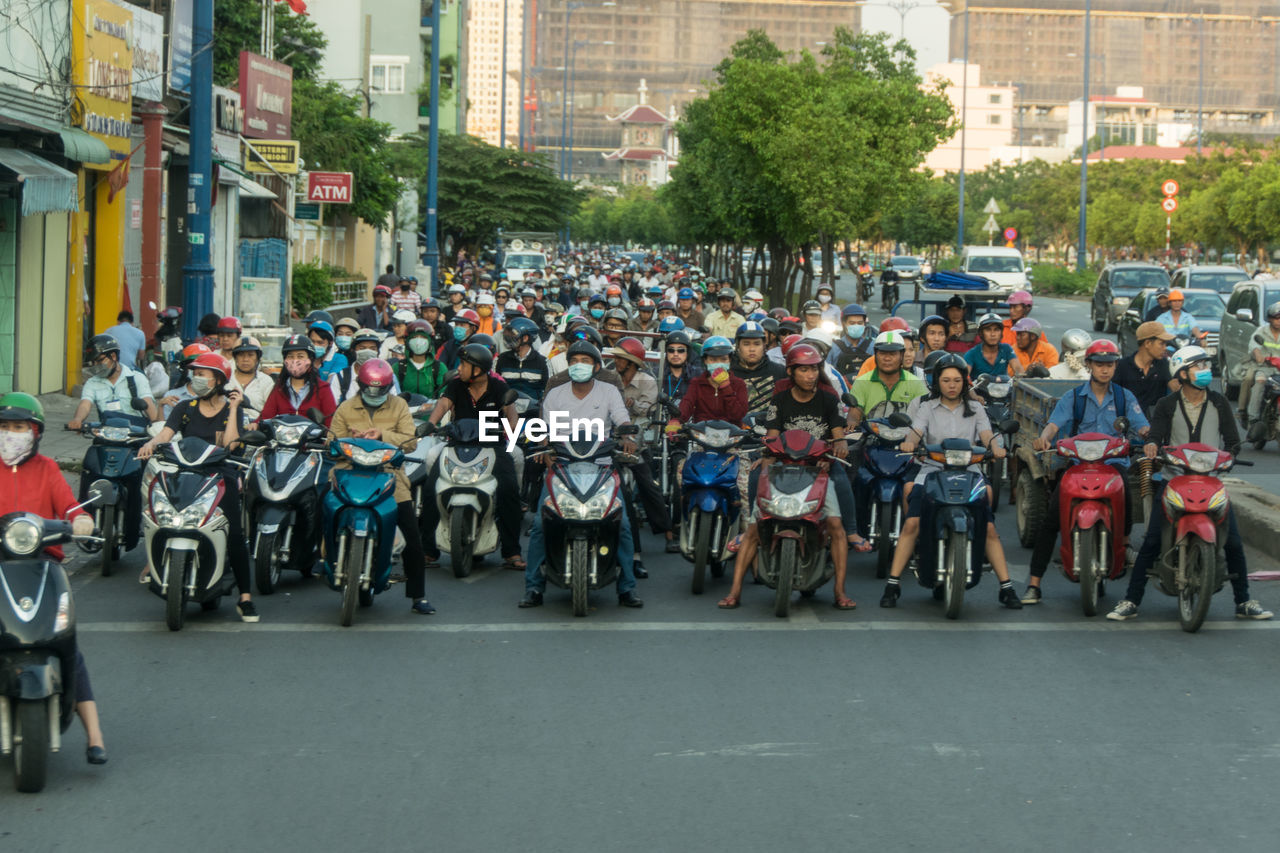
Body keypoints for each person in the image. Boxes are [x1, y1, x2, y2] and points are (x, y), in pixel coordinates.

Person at [1106, 346, 1271, 621]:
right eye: (1198, 367)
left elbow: (1232, 441)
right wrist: (1151, 446)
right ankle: (1131, 600)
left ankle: (1244, 601)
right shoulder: (1166, 405)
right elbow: (1156, 436)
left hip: (1211, 483)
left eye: (1206, 366)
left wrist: (1231, 455)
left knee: (1233, 543)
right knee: (1151, 543)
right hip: (1174, 481)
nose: (1205, 371)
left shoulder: (1219, 402)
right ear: (1182, 373)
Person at [717, 343, 869, 612]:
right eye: (804, 370)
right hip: (784, 464)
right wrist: (768, 453)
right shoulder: (780, 399)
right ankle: (735, 591)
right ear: (791, 371)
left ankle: (841, 586)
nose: (810, 375)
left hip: (819, 466)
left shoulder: (828, 399)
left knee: (836, 521)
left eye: (814, 369)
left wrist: (839, 446)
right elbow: (773, 434)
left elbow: (836, 433)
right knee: (754, 508)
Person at [0, 393, 109, 764]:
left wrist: (81, 521)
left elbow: (70, 507)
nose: (11, 434)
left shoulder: (47, 468)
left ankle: (95, 735)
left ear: (35, 432)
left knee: (66, 643)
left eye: (19, 428)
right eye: (5, 428)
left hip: (43, 565)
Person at [878, 355, 1023, 609]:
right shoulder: (927, 407)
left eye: (957, 380)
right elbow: (916, 431)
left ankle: (1006, 587)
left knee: (988, 526)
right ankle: (893, 584)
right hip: (932, 471)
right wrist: (910, 442)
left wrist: (994, 447)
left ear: (964, 382)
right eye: (946, 380)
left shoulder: (976, 407)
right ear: (938, 382)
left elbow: (987, 434)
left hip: (970, 471)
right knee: (912, 523)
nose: (952, 385)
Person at [1022, 340, 1149, 604]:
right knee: (1051, 521)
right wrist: (1044, 438)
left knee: (1127, 494)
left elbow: (1141, 426)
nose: (1105, 369)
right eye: (1099, 364)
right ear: (1089, 365)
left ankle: (1123, 544)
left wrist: (1151, 438)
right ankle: (1034, 584)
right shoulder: (1073, 397)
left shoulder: (1125, 397)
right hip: (1079, 467)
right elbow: (1054, 425)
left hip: (1113, 465)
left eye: (1110, 364)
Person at [520, 341, 644, 608]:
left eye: (585, 361)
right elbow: (542, 430)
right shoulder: (555, 394)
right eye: (574, 360)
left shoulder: (609, 391)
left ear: (597, 366)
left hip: (602, 466)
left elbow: (622, 418)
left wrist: (627, 436)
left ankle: (627, 588)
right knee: (542, 524)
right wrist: (544, 450)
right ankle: (534, 587)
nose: (579, 365)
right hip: (562, 468)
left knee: (621, 524)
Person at [137, 353, 259, 623]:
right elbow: (165, 435)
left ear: (219, 380)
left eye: (204, 374)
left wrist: (235, 408)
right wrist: (150, 445)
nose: (198, 379)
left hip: (220, 476)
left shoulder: (229, 409)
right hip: (187, 473)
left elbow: (231, 446)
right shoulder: (185, 407)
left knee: (235, 534)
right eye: (197, 374)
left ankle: (245, 597)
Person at [329, 359, 436, 614]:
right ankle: (324, 557)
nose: (374, 394)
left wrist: (382, 436)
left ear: (389, 387)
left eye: (380, 390)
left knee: (412, 535)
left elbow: (410, 442)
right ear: (360, 386)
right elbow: (331, 444)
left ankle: (417, 596)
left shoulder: (399, 406)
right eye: (369, 389)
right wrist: (350, 439)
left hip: (389, 475)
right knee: (326, 509)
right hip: (349, 473)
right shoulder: (346, 408)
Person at [423, 343, 525, 572]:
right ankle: (428, 551)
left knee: (509, 490)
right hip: (457, 446)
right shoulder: (456, 386)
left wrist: (513, 430)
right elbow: (443, 405)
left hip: (493, 447)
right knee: (431, 489)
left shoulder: (499, 387)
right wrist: (430, 424)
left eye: (464, 365)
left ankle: (512, 551)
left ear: (478, 369)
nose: (459, 369)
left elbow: (512, 415)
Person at [610, 336, 678, 561]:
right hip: (612, 438)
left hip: (638, 440)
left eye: (622, 358)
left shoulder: (647, 381)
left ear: (632, 361)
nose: (617, 361)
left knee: (647, 483)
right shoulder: (610, 379)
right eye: (617, 357)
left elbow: (647, 411)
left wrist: (633, 406)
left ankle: (668, 532)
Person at [68, 334, 159, 429]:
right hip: (107, 433)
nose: (96, 365)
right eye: (93, 362)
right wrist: (77, 419)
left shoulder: (137, 378)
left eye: (99, 360)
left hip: (135, 434)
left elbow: (148, 404)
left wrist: (157, 427)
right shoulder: (92, 383)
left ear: (113, 356)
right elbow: (85, 404)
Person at [847, 331, 929, 428]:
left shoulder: (916, 383)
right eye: (882, 353)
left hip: (906, 438)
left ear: (902, 355)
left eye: (893, 354)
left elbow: (924, 416)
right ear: (875, 354)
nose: (887, 358)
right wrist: (852, 423)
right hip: (871, 438)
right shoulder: (862, 382)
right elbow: (855, 412)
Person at [258, 334, 338, 426]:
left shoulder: (323, 388)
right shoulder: (279, 388)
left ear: (310, 359)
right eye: (291, 356)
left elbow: (331, 423)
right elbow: (266, 417)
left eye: (300, 356)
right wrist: (256, 424)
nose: (295, 361)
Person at [1113, 321, 1176, 417]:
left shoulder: (1163, 364)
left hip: (1155, 423)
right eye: (1161, 344)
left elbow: (1176, 388)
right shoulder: (1122, 366)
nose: (1165, 348)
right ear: (1147, 343)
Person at [732, 321, 786, 417]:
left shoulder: (780, 372)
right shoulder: (728, 374)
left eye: (757, 344)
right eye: (746, 344)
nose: (752, 349)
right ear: (738, 346)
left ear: (764, 345)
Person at [1243, 301, 1280, 437]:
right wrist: (1258, 355)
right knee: (1259, 381)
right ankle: (1253, 418)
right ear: (1270, 318)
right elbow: (1254, 345)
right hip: (1266, 368)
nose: (1279, 321)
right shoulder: (1261, 331)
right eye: (1277, 317)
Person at [496, 317, 549, 401]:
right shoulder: (501, 359)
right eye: (507, 335)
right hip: (507, 408)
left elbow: (547, 391)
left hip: (533, 410)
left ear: (525, 338)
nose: (508, 338)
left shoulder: (542, 362)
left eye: (513, 335)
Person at [226, 336, 273, 420]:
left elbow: (271, 411)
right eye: (241, 355)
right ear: (235, 357)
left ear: (257, 358)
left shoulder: (266, 381)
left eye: (250, 355)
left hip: (257, 428)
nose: (245, 359)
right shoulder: (226, 379)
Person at [963, 313, 1022, 378]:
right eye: (988, 330)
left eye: (996, 330)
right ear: (981, 333)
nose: (993, 334)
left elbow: (1018, 370)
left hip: (1003, 387)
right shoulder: (972, 354)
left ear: (1001, 332)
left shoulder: (1006, 348)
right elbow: (964, 377)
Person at [828, 304, 873, 382]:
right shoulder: (833, 347)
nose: (856, 326)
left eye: (859, 323)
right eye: (852, 323)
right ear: (844, 324)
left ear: (864, 324)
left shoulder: (872, 346)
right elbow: (827, 374)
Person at [660, 329, 701, 407]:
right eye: (671, 350)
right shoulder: (656, 374)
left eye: (681, 350)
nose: (675, 354)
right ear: (666, 352)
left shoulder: (698, 374)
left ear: (688, 353)